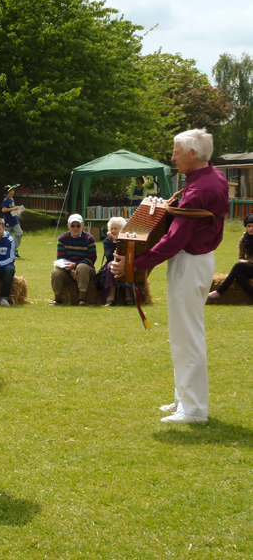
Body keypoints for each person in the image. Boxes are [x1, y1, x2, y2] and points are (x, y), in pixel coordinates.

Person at [111, 128, 229, 424]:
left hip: (190, 261)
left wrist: (136, 264)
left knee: (187, 335)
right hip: (193, 260)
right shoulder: (211, 178)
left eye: (177, 151)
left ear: (193, 153)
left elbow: (175, 239)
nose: (173, 157)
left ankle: (193, 409)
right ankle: (183, 399)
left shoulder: (199, 189)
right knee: (182, 334)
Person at [49, 214, 96, 306]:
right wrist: (71, 270)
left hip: (85, 270)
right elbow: (61, 259)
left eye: (78, 226)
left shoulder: (89, 238)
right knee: (56, 273)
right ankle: (57, 299)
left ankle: (82, 299)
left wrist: (76, 265)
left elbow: (91, 259)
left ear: (82, 226)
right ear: (68, 226)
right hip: (67, 269)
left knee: (81, 267)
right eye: (73, 226)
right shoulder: (62, 238)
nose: (75, 228)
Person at [208, 213, 253, 303]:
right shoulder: (243, 239)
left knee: (238, 266)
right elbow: (240, 258)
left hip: (249, 265)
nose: (251, 228)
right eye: (249, 226)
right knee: (239, 276)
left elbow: (242, 262)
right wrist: (245, 261)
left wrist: (246, 261)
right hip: (250, 267)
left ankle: (219, 291)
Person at [97, 216, 127, 307]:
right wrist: (114, 242)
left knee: (128, 265)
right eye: (111, 228)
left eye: (115, 228)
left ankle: (129, 297)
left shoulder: (127, 239)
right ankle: (110, 298)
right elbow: (109, 257)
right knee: (112, 265)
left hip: (125, 263)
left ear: (122, 229)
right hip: (110, 264)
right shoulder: (107, 241)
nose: (113, 230)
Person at [0, 185, 23, 256]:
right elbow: (3, 209)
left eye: (13, 190)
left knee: (19, 233)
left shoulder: (12, 199)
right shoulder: (6, 200)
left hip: (14, 220)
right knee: (5, 236)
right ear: (7, 192)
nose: (12, 192)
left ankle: (13, 248)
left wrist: (17, 211)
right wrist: (13, 208)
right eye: (10, 191)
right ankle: (2, 250)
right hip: (8, 221)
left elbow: (12, 209)